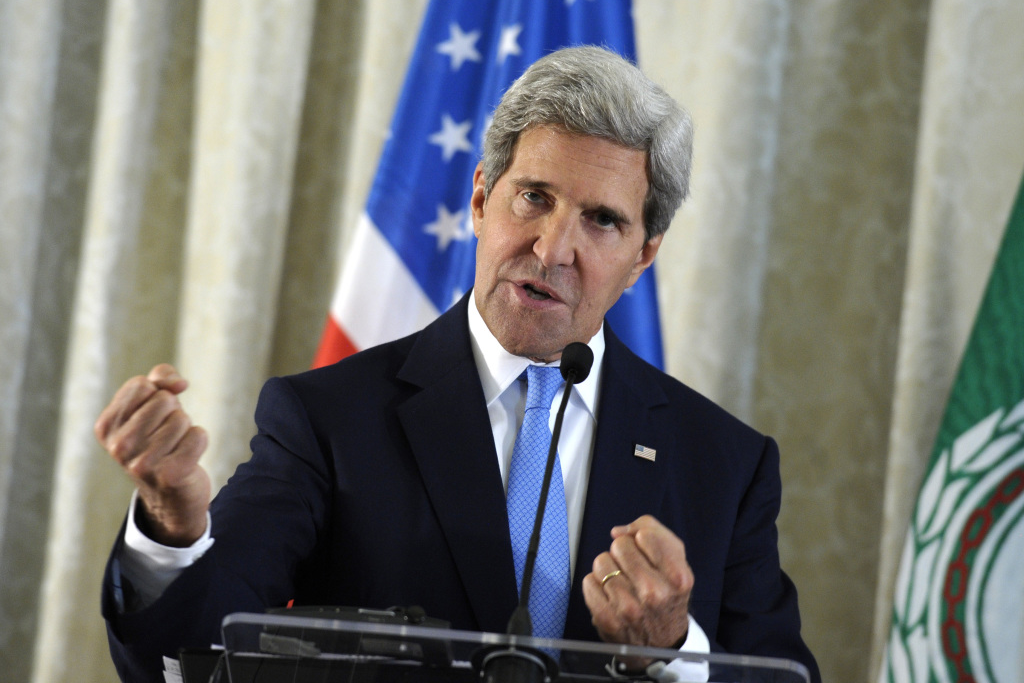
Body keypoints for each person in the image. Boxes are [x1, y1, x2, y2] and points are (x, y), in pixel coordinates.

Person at [97, 46, 820, 683]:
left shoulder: (724, 462)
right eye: (533, 197)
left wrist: (671, 650)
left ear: (643, 256)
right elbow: (187, 657)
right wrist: (173, 527)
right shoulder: (327, 419)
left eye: (601, 220)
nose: (551, 249)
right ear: (480, 199)